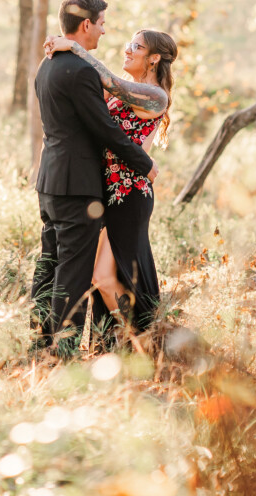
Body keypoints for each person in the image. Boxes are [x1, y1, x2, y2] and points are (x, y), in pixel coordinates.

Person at [31, 0, 158, 354]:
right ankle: (64, 356)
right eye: (101, 23)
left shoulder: (48, 64)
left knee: (49, 265)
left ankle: (38, 346)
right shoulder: (80, 69)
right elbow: (104, 128)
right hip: (77, 186)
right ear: (86, 25)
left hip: (51, 181)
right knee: (72, 273)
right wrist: (145, 163)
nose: (104, 32)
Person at [43, 28, 175, 335]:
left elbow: (109, 81)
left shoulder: (156, 97)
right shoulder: (123, 89)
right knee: (100, 275)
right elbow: (92, 87)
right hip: (104, 192)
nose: (127, 50)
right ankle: (120, 347)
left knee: (104, 276)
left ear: (154, 58)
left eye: (136, 46)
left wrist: (74, 46)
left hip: (129, 195)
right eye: (129, 44)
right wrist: (60, 51)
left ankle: (144, 342)